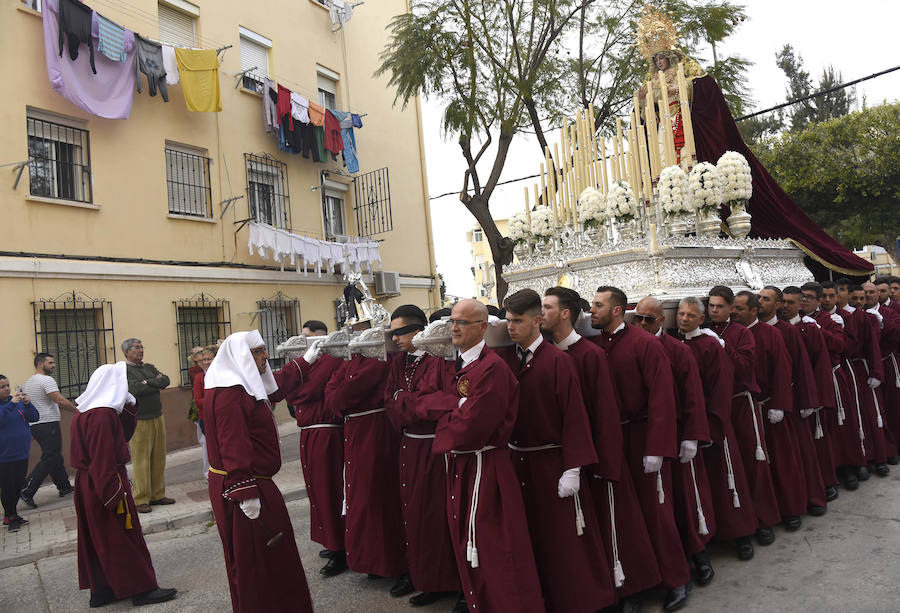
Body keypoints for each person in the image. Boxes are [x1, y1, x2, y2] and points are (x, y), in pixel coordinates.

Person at [416, 299, 543, 613]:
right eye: (453, 321)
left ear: (483, 327)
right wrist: (453, 406)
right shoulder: (455, 364)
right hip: (462, 465)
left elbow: (470, 428)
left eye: (463, 322)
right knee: (467, 542)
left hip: (485, 467)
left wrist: (445, 413)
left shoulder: (492, 369)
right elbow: (425, 401)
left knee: (494, 547)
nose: (455, 328)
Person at [496, 289, 614, 612]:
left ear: (537, 320)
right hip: (519, 460)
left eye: (518, 321)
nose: (510, 327)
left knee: (565, 538)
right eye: (508, 321)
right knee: (530, 537)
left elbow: (574, 416)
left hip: (552, 463)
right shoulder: (508, 360)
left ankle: (584, 601)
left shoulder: (559, 361)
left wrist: (573, 468)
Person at [542, 287, 661, 601]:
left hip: (603, 454)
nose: (541, 314)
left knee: (620, 523)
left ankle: (635, 588)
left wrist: (607, 464)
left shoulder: (591, 354)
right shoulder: (561, 352)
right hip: (573, 457)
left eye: (547, 307)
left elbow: (606, 413)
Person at [590, 287, 692, 612]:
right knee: (624, 517)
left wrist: (657, 447)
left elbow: (663, 396)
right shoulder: (596, 346)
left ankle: (676, 578)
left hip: (642, 437)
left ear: (617, 310)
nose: (592, 310)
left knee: (656, 512)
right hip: (613, 441)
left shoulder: (644, 344)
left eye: (598, 305)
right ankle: (634, 585)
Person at [203, 330, 314, 613]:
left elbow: (274, 386)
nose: (266, 356)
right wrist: (244, 490)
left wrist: (307, 360)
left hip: (253, 481)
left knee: (272, 560)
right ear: (241, 355)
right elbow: (233, 443)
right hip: (245, 485)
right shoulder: (229, 393)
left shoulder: (240, 384)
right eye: (258, 351)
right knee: (256, 562)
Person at [70, 362, 177, 608]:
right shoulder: (102, 416)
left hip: (89, 483)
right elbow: (103, 457)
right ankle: (142, 589)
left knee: (99, 538)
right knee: (123, 537)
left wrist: (129, 405)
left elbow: (121, 436)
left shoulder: (86, 410)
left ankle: (103, 589)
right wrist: (113, 493)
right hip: (105, 480)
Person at [633, 297, 717, 586]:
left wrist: (691, 437)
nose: (642, 324)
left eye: (649, 319)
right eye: (638, 318)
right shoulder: (632, 346)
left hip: (677, 435)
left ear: (661, 321)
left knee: (685, 499)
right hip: (646, 435)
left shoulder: (678, 351)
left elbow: (693, 395)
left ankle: (699, 553)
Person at [384, 305, 460, 607]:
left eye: (400, 332)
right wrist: (412, 404)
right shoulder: (398, 362)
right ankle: (427, 577)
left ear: (418, 330)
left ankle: (454, 582)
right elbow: (389, 400)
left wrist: (408, 403)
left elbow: (443, 402)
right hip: (409, 445)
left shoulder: (438, 358)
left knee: (439, 515)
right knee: (415, 515)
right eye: (392, 333)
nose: (395, 339)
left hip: (434, 447)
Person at [324, 330, 408, 592]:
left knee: (377, 496)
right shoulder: (352, 361)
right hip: (355, 431)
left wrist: (340, 392)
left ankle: (392, 563)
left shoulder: (378, 360)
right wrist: (339, 392)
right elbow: (332, 393)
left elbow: (342, 395)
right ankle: (372, 559)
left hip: (374, 431)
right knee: (360, 498)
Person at [676, 298, 758, 562]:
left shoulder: (710, 345)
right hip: (690, 427)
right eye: (680, 314)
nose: (684, 319)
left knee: (727, 479)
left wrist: (713, 425)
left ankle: (741, 533)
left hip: (713, 425)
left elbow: (721, 388)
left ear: (701, 320)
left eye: (690, 315)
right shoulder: (674, 344)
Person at [705, 286, 781, 545]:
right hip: (717, 407)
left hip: (740, 404)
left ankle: (763, 520)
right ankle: (737, 527)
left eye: (721, 306)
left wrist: (723, 346)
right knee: (727, 467)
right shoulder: (702, 331)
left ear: (730, 309)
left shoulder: (741, 333)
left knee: (752, 463)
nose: (715, 310)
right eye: (711, 306)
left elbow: (746, 368)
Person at [732, 291, 807, 531]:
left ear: (753, 311)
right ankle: (761, 516)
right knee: (754, 467)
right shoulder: (732, 334)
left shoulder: (771, 333)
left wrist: (779, 405)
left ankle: (790, 508)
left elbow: (783, 370)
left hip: (768, 407)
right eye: (733, 307)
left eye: (739, 308)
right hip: (745, 409)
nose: (734, 312)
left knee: (781, 462)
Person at [759, 286, 828, 518]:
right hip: (763, 403)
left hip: (791, 400)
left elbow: (802, 367)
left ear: (777, 305)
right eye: (759, 298)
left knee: (801, 451)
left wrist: (808, 401)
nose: (761, 302)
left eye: (766, 299)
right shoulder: (752, 330)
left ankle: (812, 497)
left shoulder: (788, 331)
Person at [287, 320, 347, 577]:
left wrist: (293, 389)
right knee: (316, 491)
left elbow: (304, 391)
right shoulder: (307, 362)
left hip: (326, 433)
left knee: (329, 489)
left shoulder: (331, 360)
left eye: (309, 338)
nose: (305, 343)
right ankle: (329, 539)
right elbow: (291, 390)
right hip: (309, 433)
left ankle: (340, 548)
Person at [785, 286, 841, 501]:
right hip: (787, 394)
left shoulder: (809, 328)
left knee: (817, 441)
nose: (786, 306)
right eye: (784, 302)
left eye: (792, 302)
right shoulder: (780, 327)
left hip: (808, 393)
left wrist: (816, 398)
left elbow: (820, 365)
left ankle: (826, 481)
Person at [123, 338, 173, 513]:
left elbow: (165, 381)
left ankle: (157, 495)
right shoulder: (124, 370)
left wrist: (146, 382)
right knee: (141, 460)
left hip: (157, 416)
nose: (141, 350)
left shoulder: (149, 367)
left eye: (141, 347)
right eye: (136, 347)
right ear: (126, 351)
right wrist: (153, 382)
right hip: (140, 419)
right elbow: (134, 390)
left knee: (159, 457)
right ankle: (140, 498)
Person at [20, 353, 75, 508]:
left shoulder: (30, 381)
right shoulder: (46, 380)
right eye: (50, 363)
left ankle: (64, 487)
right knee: (51, 456)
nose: (53, 365)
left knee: (54, 455)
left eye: (53, 362)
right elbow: (59, 399)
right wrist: (77, 411)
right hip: (47, 423)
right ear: (40, 364)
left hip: (37, 424)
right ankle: (27, 489)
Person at [1, 377, 38, 531]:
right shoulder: (11, 404)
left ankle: (11, 514)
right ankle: (11, 516)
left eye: (7, 385)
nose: (7, 389)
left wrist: (28, 404)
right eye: (2, 387)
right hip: (4, 456)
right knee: (8, 487)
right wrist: (11, 404)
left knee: (17, 486)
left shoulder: (18, 403)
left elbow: (35, 417)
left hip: (21, 452)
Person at [191, 347, 216, 482]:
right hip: (205, 417)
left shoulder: (221, 375)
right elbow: (198, 400)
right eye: (204, 360)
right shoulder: (199, 378)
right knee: (208, 445)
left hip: (220, 416)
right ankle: (209, 473)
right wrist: (215, 401)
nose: (206, 362)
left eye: (209, 359)